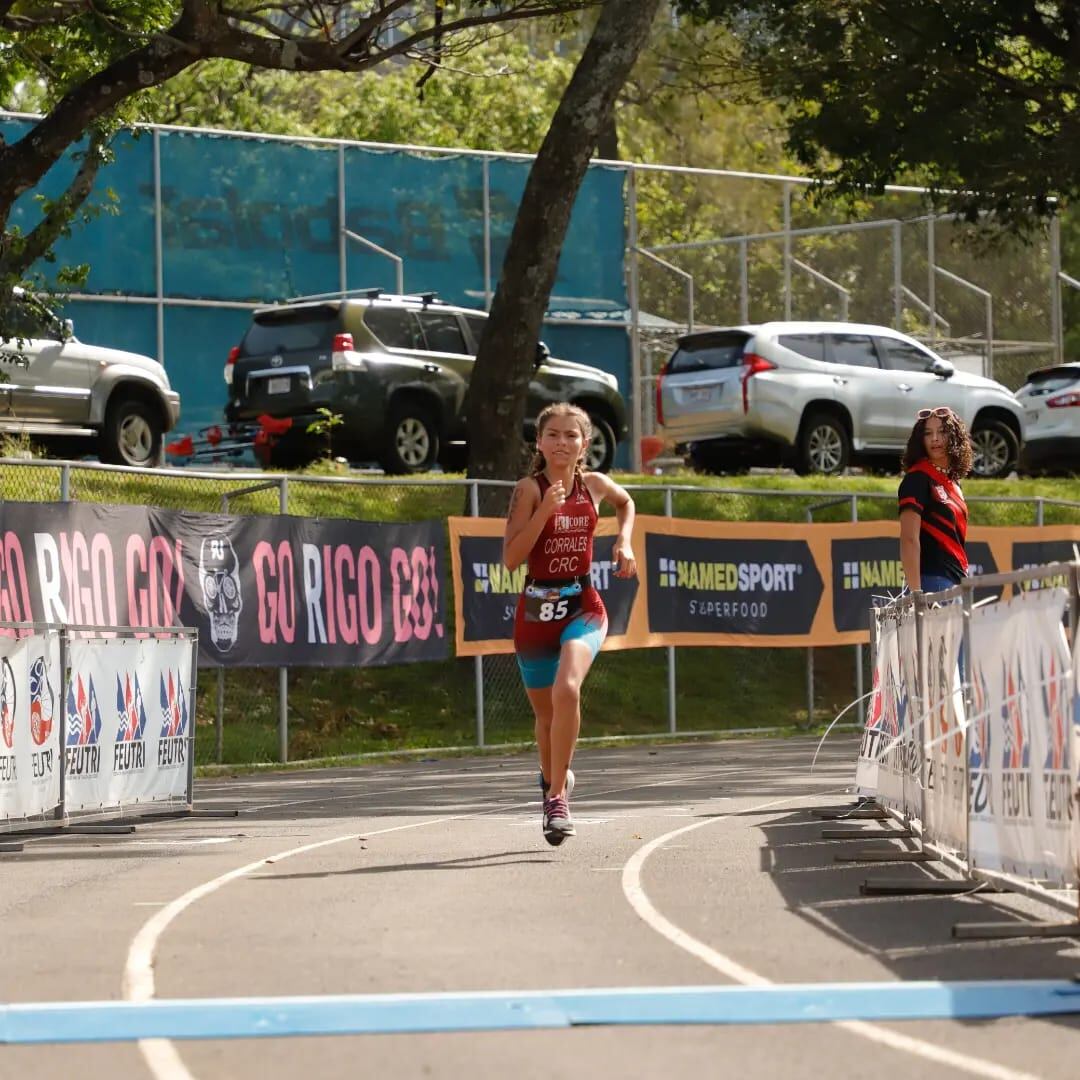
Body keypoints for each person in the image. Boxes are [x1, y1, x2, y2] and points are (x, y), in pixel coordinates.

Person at [503, 402, 637, 846]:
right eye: (554, 434)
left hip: (583, 604)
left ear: (585, 445)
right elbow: (510, 559)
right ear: (539, 443)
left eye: (572, 435)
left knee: (567, 690)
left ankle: (556, 799)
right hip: (536, 610)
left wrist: (624, 540)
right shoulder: (528, 489)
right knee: (545, 717)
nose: (562, 442)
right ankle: (553, 778)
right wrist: (544, 512)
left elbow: (627, 501)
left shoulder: (594, 485)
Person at [898, 406, 974, 595]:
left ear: (955, 437)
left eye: (942, 432)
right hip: (932, 584)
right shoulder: (917, 478)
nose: (935, 439)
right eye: (928, 433)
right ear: (920, 440)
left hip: (958, 583)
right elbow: (909, 539)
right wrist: (916, 595)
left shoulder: (954, 482)